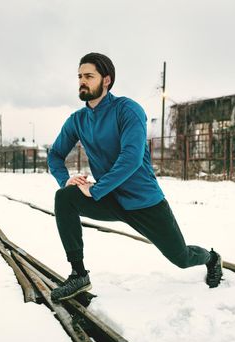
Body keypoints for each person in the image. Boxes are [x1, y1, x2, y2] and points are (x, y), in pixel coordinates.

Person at [47, 52, 223, 302]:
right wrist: (66, 179)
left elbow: (130, 158)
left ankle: (212, 258)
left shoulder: (128, 110)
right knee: (64, 198)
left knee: (181, 257)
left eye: (89, 76)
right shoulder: (78, 120)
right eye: (79, 76)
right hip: (109, 198)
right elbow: (55, 154)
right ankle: (78, 274)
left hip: (144, 202)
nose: (82, 81)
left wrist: (95, 190)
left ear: (106, 80)